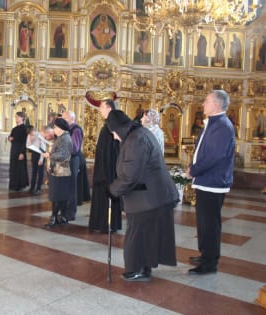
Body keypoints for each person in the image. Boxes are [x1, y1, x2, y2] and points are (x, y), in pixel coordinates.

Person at [108, 109, 179, 282]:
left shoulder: (135, 140)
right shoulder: (138, 133)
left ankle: (138, 268)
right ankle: (143, 267)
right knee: (146, 233)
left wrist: (112, 190)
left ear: (119, 129)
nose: (114, 137)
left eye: (114, 133)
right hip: (150, 194)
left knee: (138, 233)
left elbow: (131, 175)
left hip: (148, 197)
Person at [186, 90, 235, 275]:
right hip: (207, 180)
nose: (203, 104)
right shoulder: (214, 123)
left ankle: (209, 263)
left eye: (206, 101)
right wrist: (193, 166)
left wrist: (194, 170)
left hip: (213, 182)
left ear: (216, 105)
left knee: (210, 224)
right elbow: (202, 151)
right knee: (205, 222)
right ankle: (206, 253)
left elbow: (214, 156)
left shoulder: (222, 126)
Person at [88, 99, 122, 233]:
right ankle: (103, 223)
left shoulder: (110, 127)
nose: (100, 110)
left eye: (102, 107)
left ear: (109, 108)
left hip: (107, 172)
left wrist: (103, 173)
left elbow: (109, 154)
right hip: (106, 170)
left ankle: (106, 223)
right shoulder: (108, 125)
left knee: (105, 197)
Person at [42, 118, 72, 227]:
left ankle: (54, 218)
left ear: (60, 128)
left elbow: (62, 155)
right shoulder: (62, 137)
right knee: (60, 196)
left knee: (56, 196)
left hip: (60, 172)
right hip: (59, 171)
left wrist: (49, 155)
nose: (54, 129)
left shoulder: (65, 138)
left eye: (55, 127)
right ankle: (61, 216)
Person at [62, 110, 83, 221]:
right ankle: (64, 211)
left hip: (73, 160)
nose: (63, 120)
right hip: (66, 160)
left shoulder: (76, 130)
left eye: (64, 118)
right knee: (65, 187)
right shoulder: (67, 129)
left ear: (71, 118)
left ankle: (70, 213)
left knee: (71, 187)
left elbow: (74, 148)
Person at [8, 111, 29, 191]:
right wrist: (9, 138)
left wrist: (22, 153)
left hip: (20, 150)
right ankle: (13, 184)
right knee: (13, 167)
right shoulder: (14, 128)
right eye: (15, 117)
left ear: (22, 118)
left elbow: (25, 142)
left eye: (17, 117)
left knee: (20, 168)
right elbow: (11, 136)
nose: (16, 118)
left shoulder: (25, 128)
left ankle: (20, 185)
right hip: (14, 150)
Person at [26, 125, 46, 195]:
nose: (32, 135)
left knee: (40, 173)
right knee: (34, 172)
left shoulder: (40, 135)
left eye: (32, 133)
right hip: (34, 154)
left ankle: (38, 188)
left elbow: (43, 148)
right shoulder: (29, 135)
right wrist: (31, 140)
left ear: (35, 131)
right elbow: (27, 145)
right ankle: (32, 188)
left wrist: (41, 159)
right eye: (30, 134)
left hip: (41, 155)